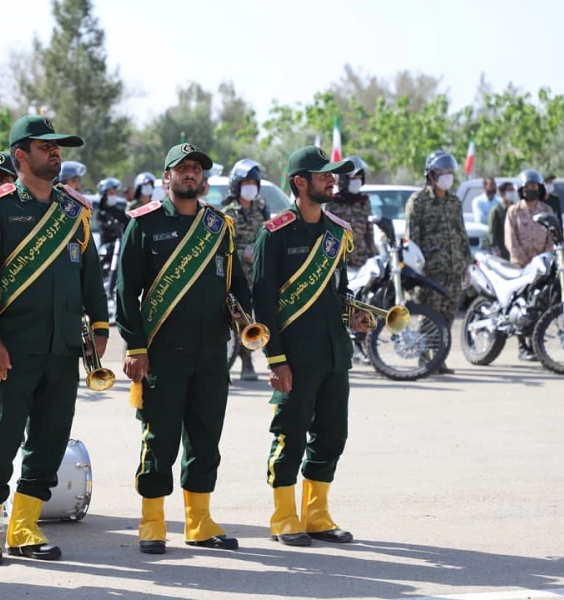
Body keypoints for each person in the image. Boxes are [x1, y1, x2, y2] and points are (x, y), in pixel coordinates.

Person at [0, 115, 108, 565]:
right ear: (20, 156)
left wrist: (100, 330)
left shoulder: (74, 211)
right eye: (45, 146)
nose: (55, 152)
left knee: (49, 439)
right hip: (13, 346)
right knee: (2, 436)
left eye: (58, 146)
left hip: (63, 347)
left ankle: (24, 527)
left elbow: (91, 280)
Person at [116, 143, 251, 555]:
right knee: (159, 439)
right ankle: (153, 521)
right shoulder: (144, 224)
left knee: (206, 438)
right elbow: (125, 292)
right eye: (182, 169)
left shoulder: (220, 225)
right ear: (166, 177)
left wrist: (245, 319)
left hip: (212, 352)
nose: (190, 174)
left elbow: (236, 285)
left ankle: (199, 521)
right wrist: (135, 346)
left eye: (196, 169)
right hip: (162, 352)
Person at [253, 146, 372, 548]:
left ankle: (317, 514)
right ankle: (284, 515)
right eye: (323, 175)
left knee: (331, 434)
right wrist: (276, 359)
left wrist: (352, 315)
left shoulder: (337, 232)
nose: (331, 179)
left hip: (334, 353)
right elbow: (263, 302)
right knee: (290, 434)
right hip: (294, 356)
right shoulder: (275, 233)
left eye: (332, 174)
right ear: (299, 182)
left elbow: (338, 290)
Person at [404, 151, 472, 375]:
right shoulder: (419, 202)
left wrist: (467, 265)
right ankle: (424, 360)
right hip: (431, 270)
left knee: (447, 317)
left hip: (454, 269)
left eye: (450, 172)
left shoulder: (454, 202)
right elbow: (412, 238)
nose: (447, 176)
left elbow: (461, 234)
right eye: (442, 172)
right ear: (431, 175)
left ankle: (439, 359)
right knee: (430, 316)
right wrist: (418, 268)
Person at [221, 159, 270, 381]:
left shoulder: (261, 209)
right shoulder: (228, 212)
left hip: (256, 275)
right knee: (235, 318)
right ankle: (240, 362)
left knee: (252, 318)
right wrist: (243, 254)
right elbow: (223, 247)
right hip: (236, 273)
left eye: (254, 182)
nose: (250, 186)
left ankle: (249, 358)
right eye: (246, 182)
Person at [505, 170, 554, 362]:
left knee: (539, 304)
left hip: (541, 266)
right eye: (527, 188)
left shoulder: (547, 211)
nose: (531, 191)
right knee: (520, 305)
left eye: (534, 187)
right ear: (521, 190)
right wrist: (522, 258)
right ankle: (522, 346)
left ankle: (535, 343)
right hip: (521, 265)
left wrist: (545, 257)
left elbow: (552, 236)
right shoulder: (513, 211)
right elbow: (510, 239)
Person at [326, 155, 374, 268]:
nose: (357, 180)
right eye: (353, 178)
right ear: (344, 179)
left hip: (361, 260)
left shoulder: (364, 202)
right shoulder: (333, 202)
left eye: (359, 177)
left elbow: (369, 232)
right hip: (340, 260)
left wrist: (373, 256)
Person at [486, 182, 516, 260]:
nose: (512, 192)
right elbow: (492, 233)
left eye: (513, 190)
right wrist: (495, 250)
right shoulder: (496, 211)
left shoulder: (517, 209)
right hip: (503, 252)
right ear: (502, 193)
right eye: (509, 190)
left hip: (517, 251)